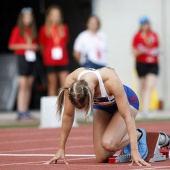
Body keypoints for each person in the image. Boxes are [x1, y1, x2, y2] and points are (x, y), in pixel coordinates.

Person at [45, 67, 151, 166]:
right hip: (103, 107)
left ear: (91, 92)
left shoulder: (109, 80)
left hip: (128, 103)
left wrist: (134, 151)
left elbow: (127, 116)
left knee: (108, 144)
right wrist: (61, 148)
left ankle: (138, 134)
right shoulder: (71, 81)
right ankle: (122, 136)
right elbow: (68, 116)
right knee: (102, 157)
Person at [8, 7, 38, 120]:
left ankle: (25, 110)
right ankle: (20, 110)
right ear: (22, 18)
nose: (28, 19)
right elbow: (11, 46)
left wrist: (35, 47)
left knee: (29, 84)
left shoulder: (33, 30)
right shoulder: (17, 30)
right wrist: (25, 46)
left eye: (30, 17)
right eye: (25, 17)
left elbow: (36, 44)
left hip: (31, 58)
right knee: (23, 84)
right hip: (22, 57)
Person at [39, 5, 70, 96]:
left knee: (65, 84)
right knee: (52, 84)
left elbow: (65, 43)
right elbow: (41, 46)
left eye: (58, 15)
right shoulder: (44, 29)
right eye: (53, 15)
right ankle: (52, 108)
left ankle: (64, 107)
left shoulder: (64, 28)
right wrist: (46, 55)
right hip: (50, 61)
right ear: (49, 16)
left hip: (63, 60)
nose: (56, 17)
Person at [132, 16, 160, 117]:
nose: (145, 26)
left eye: (147, 23)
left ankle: (146, 109)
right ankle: (143, 107)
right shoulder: (137, 36)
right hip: (141, 63)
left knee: (149, 85)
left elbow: (157, 48)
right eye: (143, 24)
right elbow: (133, 51)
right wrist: (141, 51)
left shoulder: (154, 35)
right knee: (142, 86)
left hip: (153, 63)